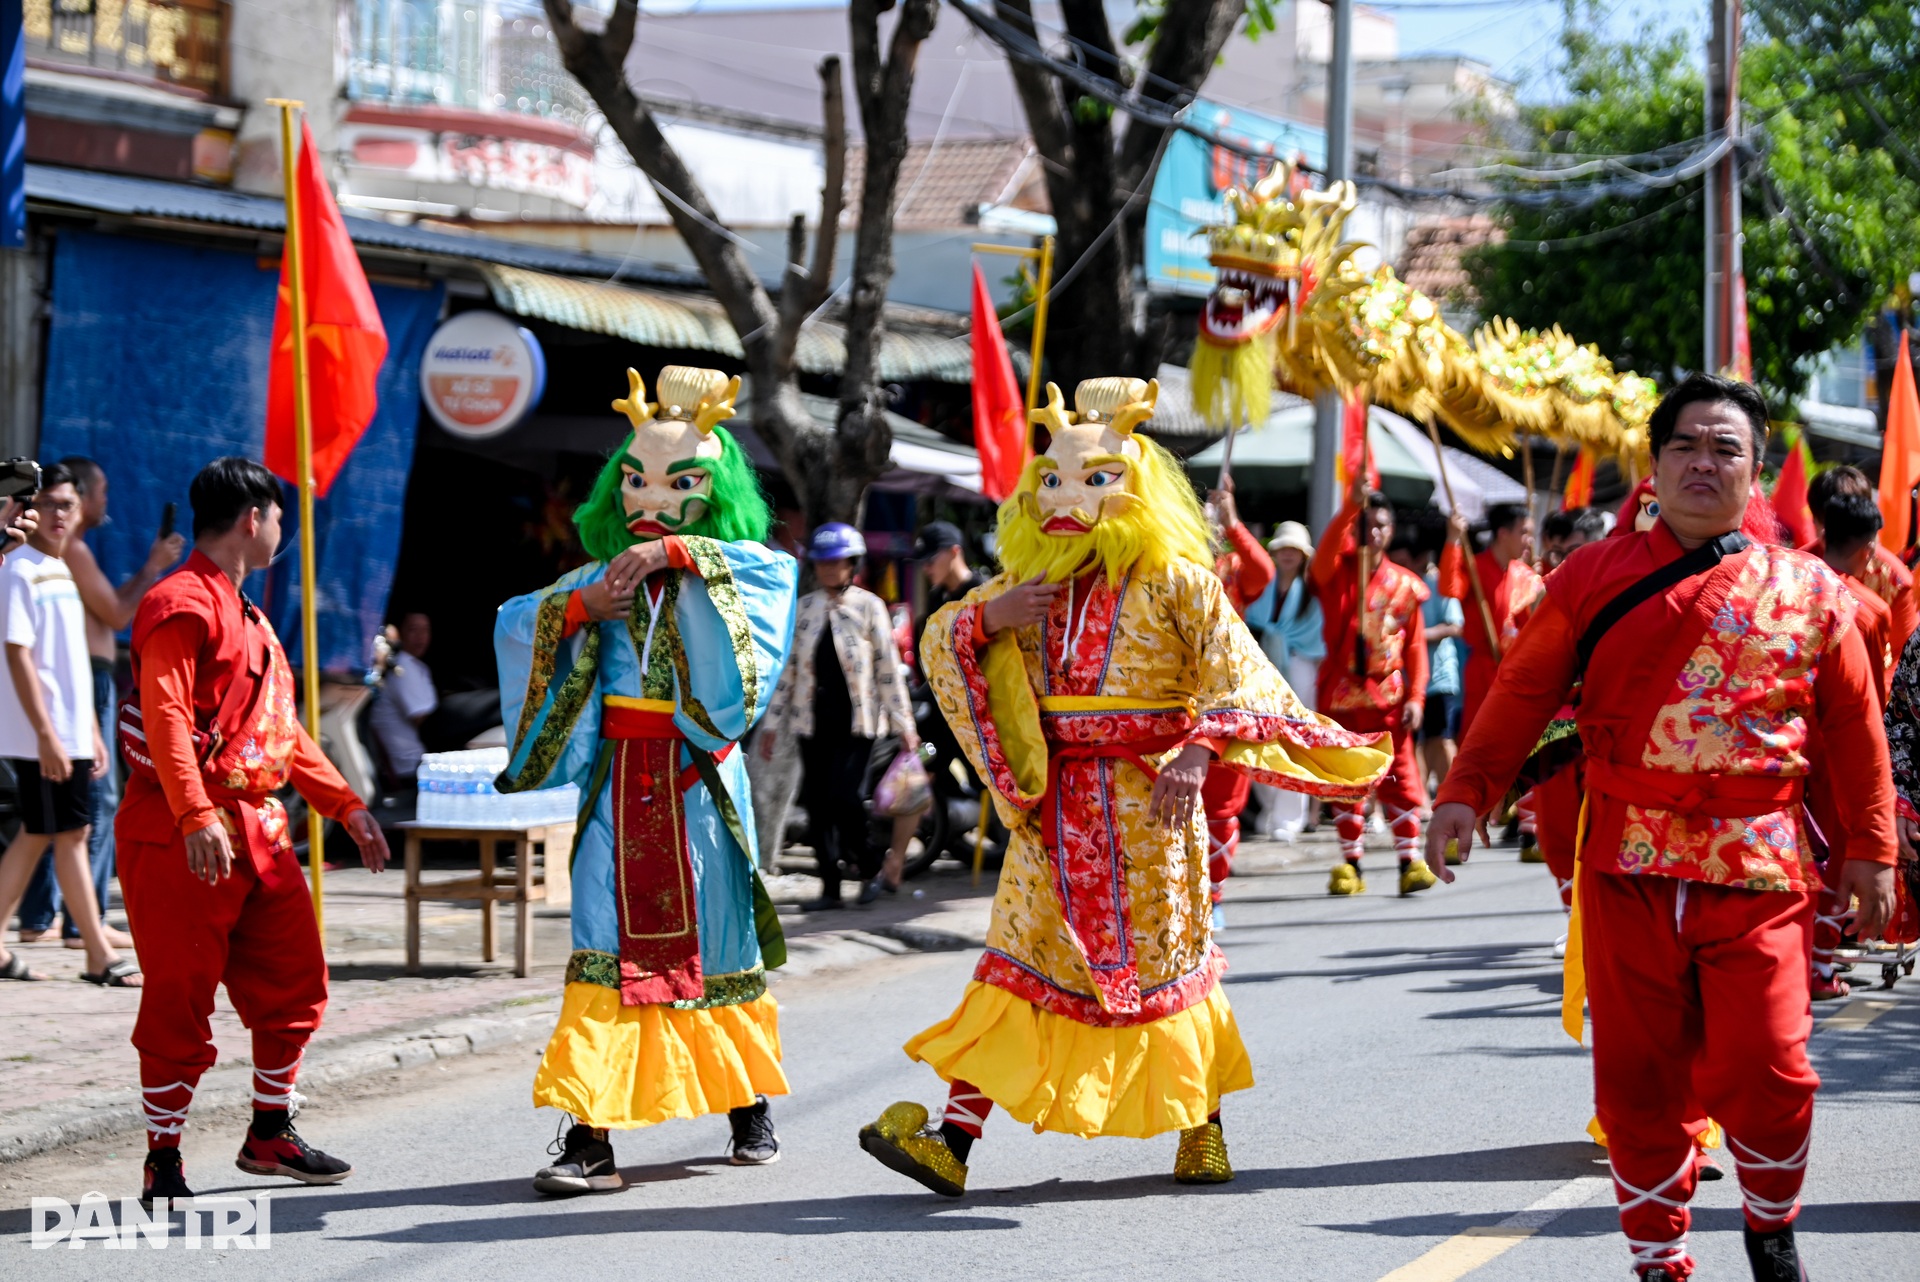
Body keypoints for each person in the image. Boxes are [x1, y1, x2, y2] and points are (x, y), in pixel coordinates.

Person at [859, 378, 1388, 1196]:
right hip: (1056, 810)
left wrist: (1200, 750)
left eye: (1096, 479)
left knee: (1169, 963)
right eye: (1056, 481)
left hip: (1152, 806)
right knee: (1016, 966)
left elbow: (1241, 676)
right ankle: (953, 1142)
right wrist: (987, 625)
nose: (1071, 496)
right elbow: (941, 643)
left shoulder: (1181, 581)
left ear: (1136, 484)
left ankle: (1200, 1128)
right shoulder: (1027, 588)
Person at [1426, 373, 1896, 1282]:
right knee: (1639, 1082)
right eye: (1686, 445)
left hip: (1758, 864)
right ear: (1654, 463)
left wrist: (1873, 852)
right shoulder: (1589, 578)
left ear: (1756, 472)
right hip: (1625, 865)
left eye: (1727, 449)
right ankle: (1658, 1260)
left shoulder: (1809, 592)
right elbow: (1523, 692)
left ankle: (1770, 1219)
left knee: (1769, 1069)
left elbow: (1855, 730)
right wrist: (1465, 794)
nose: (1704, 463)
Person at [494, 368, 798, 1195]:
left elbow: (767, 593)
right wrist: (584, 608)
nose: (650, 497)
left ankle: (747, 1106)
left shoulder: (742, 570)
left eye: (678, 481)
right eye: (634, 479)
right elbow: (517, 623)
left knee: (720, 946)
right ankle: (589, 1136)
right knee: (604, 952)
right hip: (618, 790)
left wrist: (677, 555)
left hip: (698, 785)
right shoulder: (601, 575)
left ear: (716, 488)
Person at [117, 457, 390, 1207]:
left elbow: (282, 733)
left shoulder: (252, 616)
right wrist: (195, 813)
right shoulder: (181, 602)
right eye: (277, 517)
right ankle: (163, 1159)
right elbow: (167, 713)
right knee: (180, 995)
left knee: (296, 986)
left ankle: (270, 1131)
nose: (281, 530)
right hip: (183, 830)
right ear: (251, 519)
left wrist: (344, 805)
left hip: (261, 832)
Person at [18, 456, 183, 950]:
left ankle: (53, 916)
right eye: (102, 491)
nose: (105, 501)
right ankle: (79, 923)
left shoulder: (60, 551)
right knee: (90, 802)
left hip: (82, 680)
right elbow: (114, 613)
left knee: (60, 810)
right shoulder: (67, 553)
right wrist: (153, 568)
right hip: (83, 680)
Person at [0, 465, 136, 987]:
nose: (59, 514)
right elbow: (19, 657)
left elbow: (70, 661)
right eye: (50, 504)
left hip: (69, 732)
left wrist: (91, 733)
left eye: (68, 504)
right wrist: (48, 735)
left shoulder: (58, 569)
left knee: (40, 835)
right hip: (48, 736)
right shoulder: (19, 569)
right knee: (72, 834)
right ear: (29, 509)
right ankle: (98, 954)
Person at [762, 523, 920, 908]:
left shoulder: (870, 607)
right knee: (817, 805)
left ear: (853, 564)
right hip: (811, 723)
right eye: (824, 564)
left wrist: (905, 726)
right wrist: (770, 724)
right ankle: (830, 888)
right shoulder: (804, 609)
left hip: (858, 725)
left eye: (838, 563)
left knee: (846, 798)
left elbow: (886, 667)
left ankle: (869, 867)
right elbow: (789, 670)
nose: (831, 570)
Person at [1310, 483, 1435, 896]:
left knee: (1399, 778)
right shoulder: (1335, 572)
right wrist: (1350, 504)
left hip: (1390, 696)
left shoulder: (1407, 585)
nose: (1375, 532)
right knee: (1347, 779)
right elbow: (1325, 549)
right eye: (1367, 524)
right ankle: (1351, 863)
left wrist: (1417, 696)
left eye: (1381, 525)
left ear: (1392, 530)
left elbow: (1415, 648)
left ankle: (1408, 859)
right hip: (1342, 695)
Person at [1805, 490, 1895, 1000]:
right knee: (1836, 857)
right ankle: (1819, 969)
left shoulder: (1783, 585)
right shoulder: (1870, 608)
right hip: (1838, 754)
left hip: (1784, 749)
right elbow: (1871, 704)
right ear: (1869, 549)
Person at [1199, 481, 1276, 914]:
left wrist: (1233, 522)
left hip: (1229, 698)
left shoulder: (1230, 569)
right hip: (1176, 702)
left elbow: (1263, 572)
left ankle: (1213, 896)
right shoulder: (1164, 569)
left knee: (1223, 806)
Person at [1244, 521, 1324, 840]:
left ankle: (1288, 819)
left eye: (1294, 549)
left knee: (1295, 742)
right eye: (1282, 549)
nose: (1287, 554)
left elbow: (1313, 634)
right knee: (1259, 737)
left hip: (1301, 665)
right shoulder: (1262, 586)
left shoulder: (1313, 591)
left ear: (1303, 556)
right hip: (1263, 665)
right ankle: (1269, 812)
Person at [1805, 464, 1916, 663]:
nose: (1828, 534)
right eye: (1826, 523)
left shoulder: (1896, 581)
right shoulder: (1793, 566)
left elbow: (1903, 653)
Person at [1390, 541, 1463, 799]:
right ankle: (1418, 800)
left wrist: (1416, 635)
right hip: (1405, 679)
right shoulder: (1393, 586)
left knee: (1440, 739)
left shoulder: (1437, 584)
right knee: (1412, 743)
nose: (1399, 568)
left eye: (1404, 562)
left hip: (1439, 676)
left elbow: (1455, 625)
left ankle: (1456, 796)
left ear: (1419, 559)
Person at [367, 611, 437, 782]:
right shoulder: (403, 667)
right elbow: (425, 722)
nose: (420, 637)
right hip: (408, 768)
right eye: (414, 629)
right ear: (399, 633)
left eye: (425, 630)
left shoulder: (414, 665)